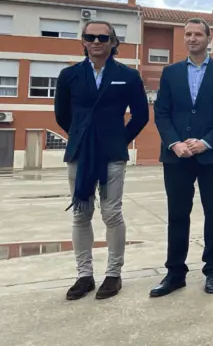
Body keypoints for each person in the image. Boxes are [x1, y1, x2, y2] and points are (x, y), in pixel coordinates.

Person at [53, 20, 149, 300]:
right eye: (90, 37)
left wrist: (119, 138)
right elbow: (62, 115)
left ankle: (113, 274)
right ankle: (84, 275)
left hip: (112, 153)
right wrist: (82, 134)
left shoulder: (128, 76)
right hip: (80, 153)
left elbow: (141, 115)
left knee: (111, 213)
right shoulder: (68, 75)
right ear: (83, 41)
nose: (96, 41)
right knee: (81, 213)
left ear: (113, 42)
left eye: (103, 37)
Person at [149, 18, 213, 298]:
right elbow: (162, 112)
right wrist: (175, 142)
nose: (192, 38)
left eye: (198, 34)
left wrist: (206, 142)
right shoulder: (170, 73)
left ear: (208, 38)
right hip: (176, 156)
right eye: (188, 34)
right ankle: (175, 272)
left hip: (211, 157)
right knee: (177, 214)